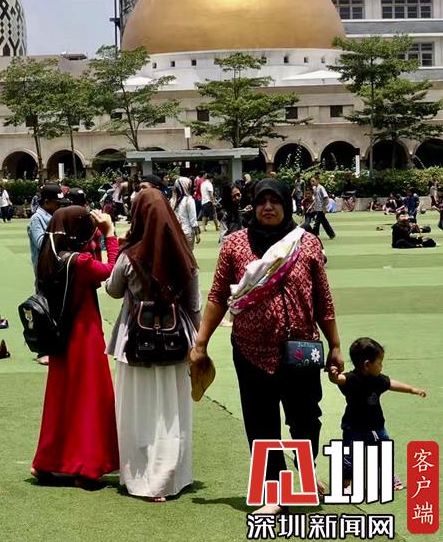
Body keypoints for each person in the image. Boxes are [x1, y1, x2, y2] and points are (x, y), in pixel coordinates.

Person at [189, 179, 343, 516]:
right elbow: (218, 296)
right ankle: (274, 490)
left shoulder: (306, 243)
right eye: (262, 201)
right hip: (251, 349)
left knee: (306, 419)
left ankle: (306, 472)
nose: (268, 207)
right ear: (253, 205)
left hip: (302, 348)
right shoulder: (235, 244)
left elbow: (323, 298)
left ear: (287, 204)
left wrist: (335, 344)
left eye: (276, 201)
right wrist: (201, 342)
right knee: (261, 423)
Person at [105, 189, 200, 501]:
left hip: (136, 341)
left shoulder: (130, 256)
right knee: (172, 411)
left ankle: (141, 476)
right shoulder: (185, 256)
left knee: (138, 410)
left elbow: (113, 290)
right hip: (176, 341)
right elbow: (194, 305)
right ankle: (171, 476)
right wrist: (198, 344)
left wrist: (119, 243)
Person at [31, 206, 119, 488]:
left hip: (59, 336)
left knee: (60, 399)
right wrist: (110, 236)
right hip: (84, 334)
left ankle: (47, 461)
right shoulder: (79, 262)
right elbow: (110, 271)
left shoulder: (49, 256)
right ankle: (87, 466)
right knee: (91, 398)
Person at [327, 337, 426, 492]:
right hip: (354, 428)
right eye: (379, 363)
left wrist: (412, 389)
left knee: (384, 451)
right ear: (367, 365)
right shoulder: (352, 379)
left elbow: (391, 383)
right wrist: (332, 374)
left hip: (377, 426)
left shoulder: (378, 379)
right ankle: (346, 483)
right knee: (350, 457)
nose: (382, 366)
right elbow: (338, 379)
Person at [28, 185, 64, 278]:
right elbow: (41, 243)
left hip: (59, 267)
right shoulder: (36, 218)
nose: (60, 206)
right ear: (47, 202)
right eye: (57, 203)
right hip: (45, 270)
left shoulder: (57, 215)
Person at [170, 177, 199, 251]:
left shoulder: (172, 200)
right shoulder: (189, 200)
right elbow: (193, 219)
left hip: (175, 233)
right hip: (187, 232)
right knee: (188, 255)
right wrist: (197, 233)